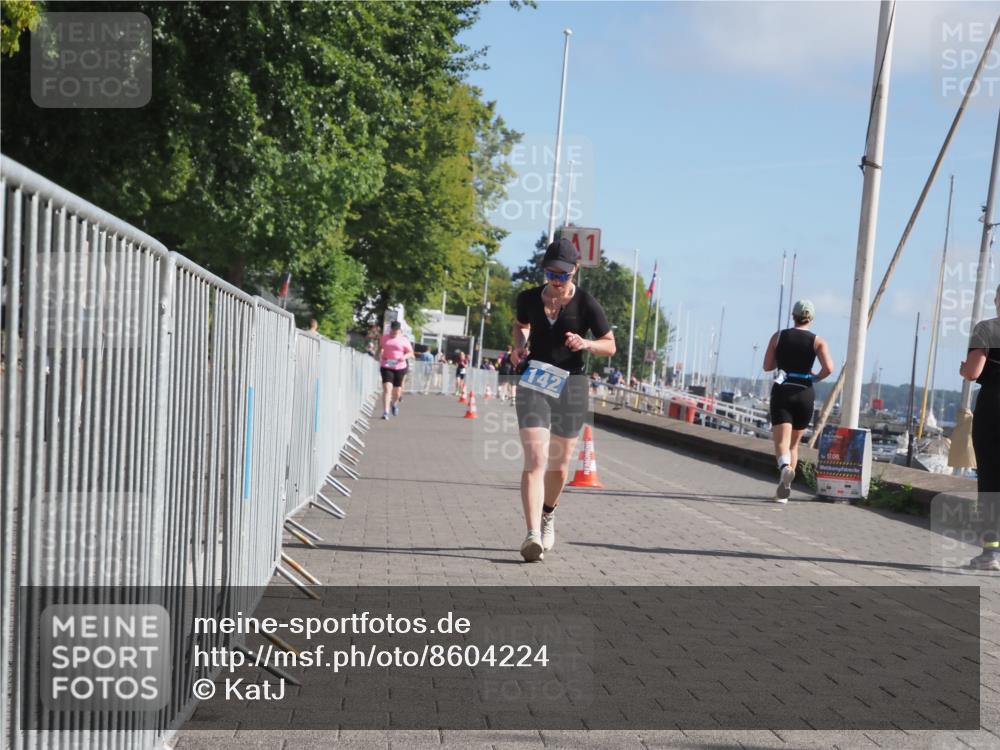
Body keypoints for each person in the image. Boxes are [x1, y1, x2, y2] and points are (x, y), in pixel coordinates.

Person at [511, 238, 616, 562]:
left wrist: (586, 344)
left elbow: (609, 345)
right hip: (535, 382)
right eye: (552, 274)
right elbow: (520, 325)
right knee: (535, 462)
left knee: (558, 467)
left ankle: (548, 514)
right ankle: (531, 535)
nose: (557, 281)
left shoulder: (586, 303)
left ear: (576, 271)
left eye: (563, 276)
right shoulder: (528, 298)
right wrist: (519, 345)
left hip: (572, 386)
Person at [762, 299, 834, 503]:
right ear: (811, 318)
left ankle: (785, 468)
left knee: (781, 443)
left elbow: (767, 366)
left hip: (783, 390)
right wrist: (814, 377)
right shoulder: (818, 341)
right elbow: (829, 368)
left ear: (793, 315)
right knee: (794, 445)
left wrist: (783, 360)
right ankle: (785, 487)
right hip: (805, 393)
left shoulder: (779, 336)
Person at [959, 283, 1000, 570]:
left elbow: (973, 372)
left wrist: (964, 368)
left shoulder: (986, 329)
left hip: (993, 408)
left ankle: (991, 554)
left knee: (990, 482)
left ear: (998, 299)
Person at [377, 320, 414, 419]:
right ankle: (385, 412)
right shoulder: (384, 338)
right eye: (393, 330)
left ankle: (394, 404)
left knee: (397, 392)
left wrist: (404, 357)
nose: (394, 332)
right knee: (387, 389)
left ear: (399, 330)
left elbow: (411, 353)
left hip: (399, 366)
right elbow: (380, 347)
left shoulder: (404, 340)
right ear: (391, 329)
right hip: (386, 366)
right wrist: (378, 355)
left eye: (396, 331)